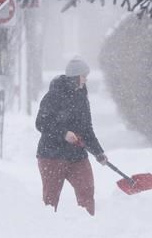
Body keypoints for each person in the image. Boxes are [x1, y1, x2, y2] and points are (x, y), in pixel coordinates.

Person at [35, 56, 108, 215]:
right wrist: (63, 133)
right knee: (50, 199)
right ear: (75, 77)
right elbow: (41, 123)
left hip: (76, 156)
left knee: (87, 190)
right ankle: (47, 228)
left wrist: (99, 152)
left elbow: (87, 130)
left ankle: (87, 225)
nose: (85, 80)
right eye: (83, 76)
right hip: (51, 156)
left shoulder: (82, 98)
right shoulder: (53, 96)